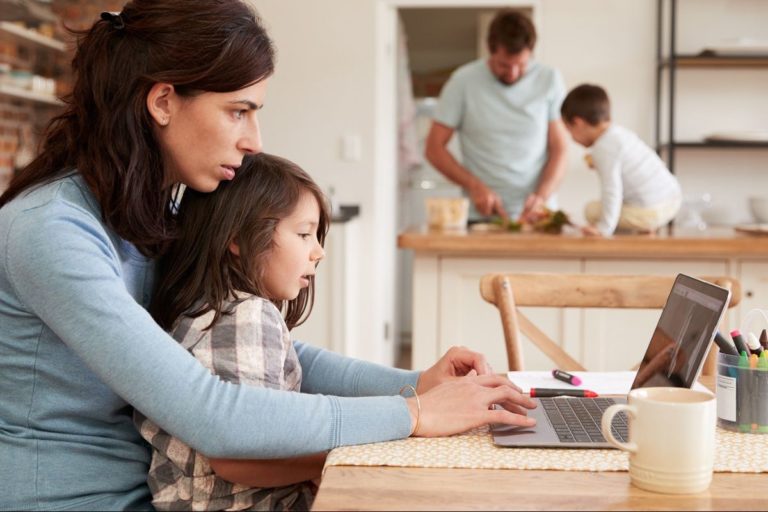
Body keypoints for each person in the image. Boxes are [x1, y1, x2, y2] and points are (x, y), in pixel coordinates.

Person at [0, 1, 536, 509]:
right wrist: (413, 413)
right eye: (238, 112)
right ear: (162, 102)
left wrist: (416, 383)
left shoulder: (150, 212)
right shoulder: (53, 230)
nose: (254, 139)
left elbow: (262, 350)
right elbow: (210, 413)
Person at [135, 153, 330, 510]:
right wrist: (335, 459)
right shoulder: (247, 315)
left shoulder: (202, 309)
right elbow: (241, 455)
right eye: (304, 233)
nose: (318, 251)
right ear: (238, 238)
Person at [425, 9, 569, 223]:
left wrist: (542, 196)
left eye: (520, 65)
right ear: (490, 51)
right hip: (480, 216)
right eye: (503, 65)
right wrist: (474, 186)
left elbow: (560, 148)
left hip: (537, 216)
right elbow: (434, 149)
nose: (512, 74)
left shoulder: (549, 80)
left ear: (530, 52)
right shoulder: (462, 82)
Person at [560, 84, 682, 236]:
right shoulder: (620, 134)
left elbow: (611, 190)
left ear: (578, 123)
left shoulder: (603, 148)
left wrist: (603, 228)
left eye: (569, 130)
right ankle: (645, 227)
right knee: (626, 202)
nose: (572, 138)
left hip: (651, 211)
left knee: (591, 211)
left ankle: (640, 226)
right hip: (672, 200)